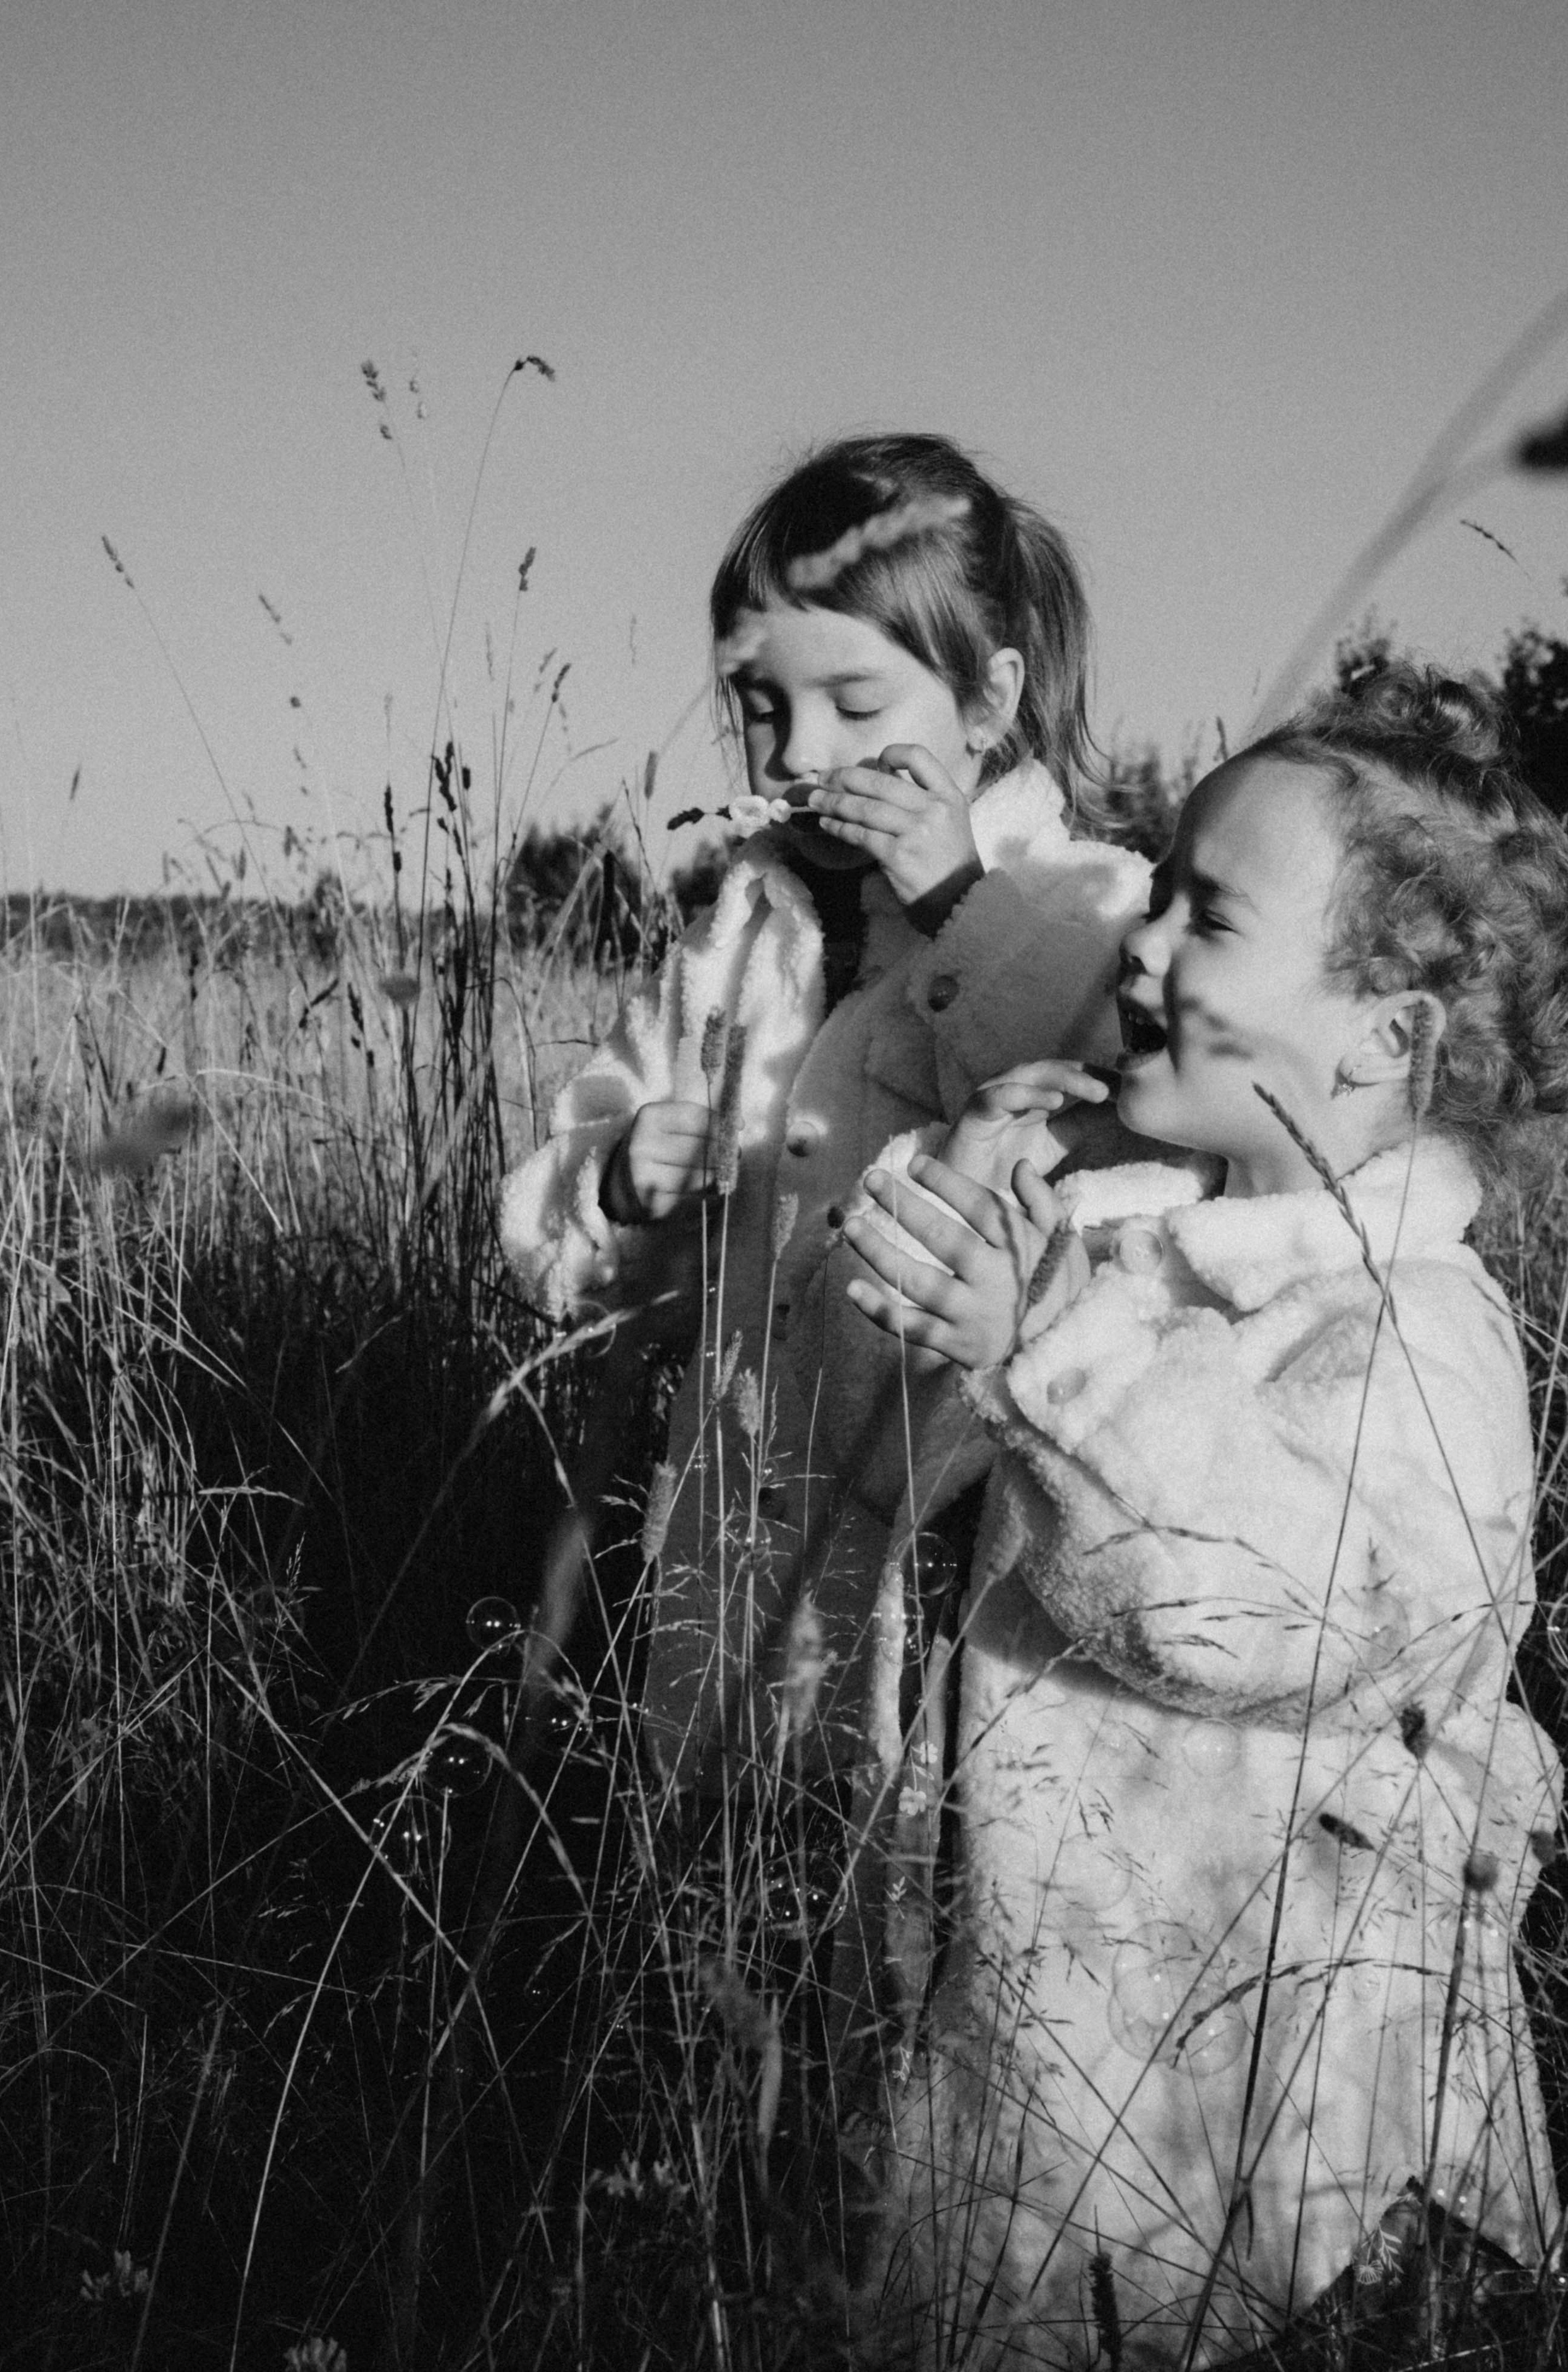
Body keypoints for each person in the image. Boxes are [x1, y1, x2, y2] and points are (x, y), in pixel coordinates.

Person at [839, 663, 1568, 2366]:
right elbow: (918, 1499)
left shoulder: (1417, 1336)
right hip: (1047, 2087)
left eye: (1211, 918)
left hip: (1287, 2181)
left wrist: (1043, 1351)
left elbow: (1236, 1607)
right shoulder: (1134, 1248)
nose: (1144, 948)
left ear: (1387, 1037)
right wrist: (968, 1208)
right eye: (1153, 891)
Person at [498, 433, 1148, 1818]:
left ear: (986, 702)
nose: (797, 753)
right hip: (731, 1537)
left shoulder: (1082, 911)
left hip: (952, 1552)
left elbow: (1108, 1115)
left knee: (902, 1898)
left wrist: (956, 907)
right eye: (757, 706)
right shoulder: (742, 938)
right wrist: (618, 1185)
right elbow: (591, 1209)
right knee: (728, 1879)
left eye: (854, 703)